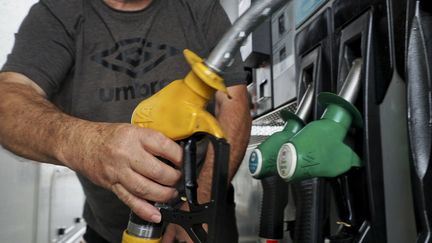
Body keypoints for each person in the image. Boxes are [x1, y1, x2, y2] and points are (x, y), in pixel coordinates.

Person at [0, 0, 251, 242]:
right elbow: (7, 102)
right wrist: (87, 144)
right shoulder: (59, 12)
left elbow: (233, 100)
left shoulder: (199, 7)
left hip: (205, 216)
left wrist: (199, 205)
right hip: (108, 227)